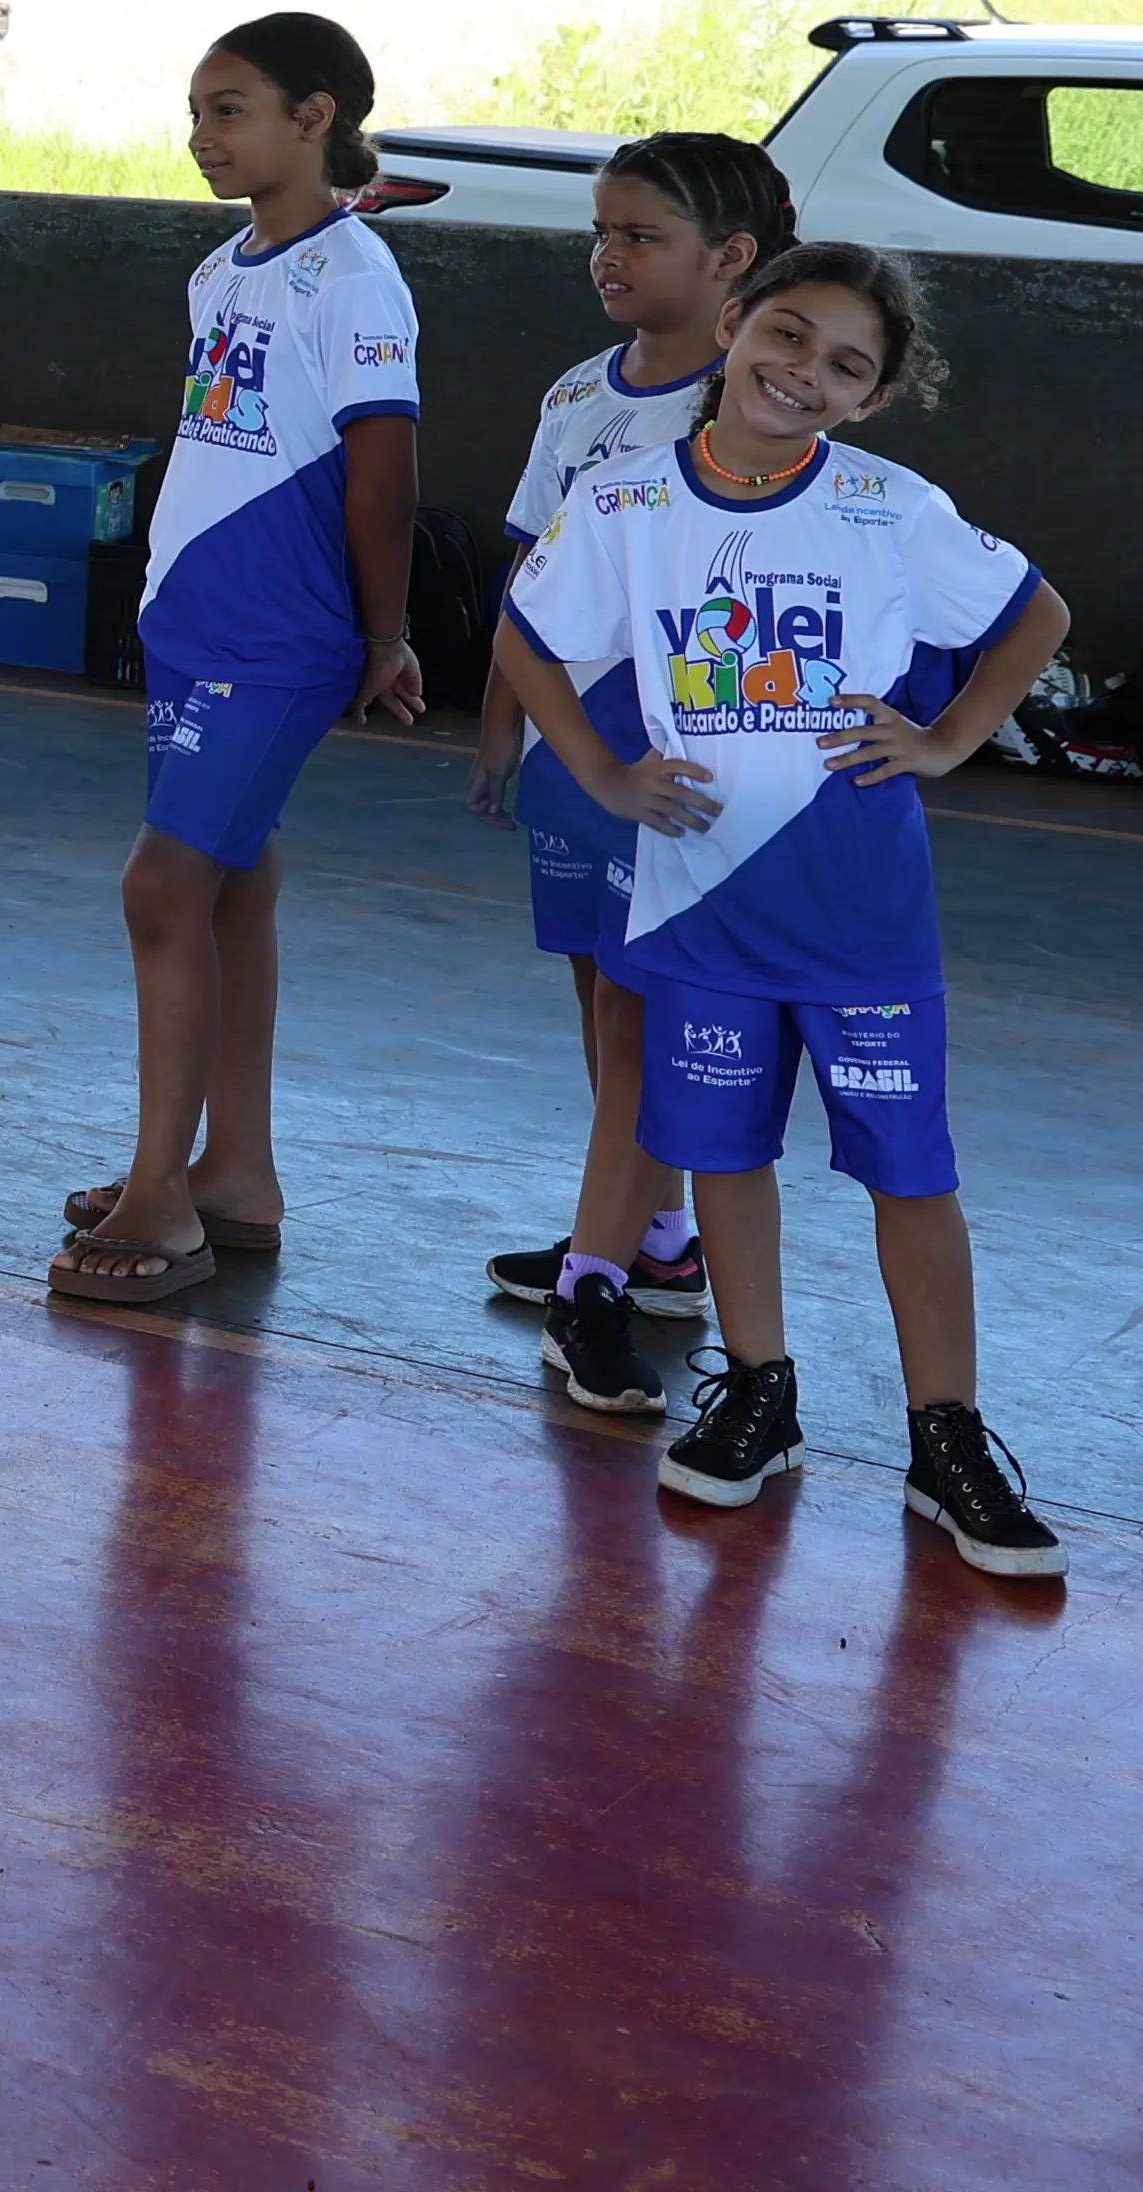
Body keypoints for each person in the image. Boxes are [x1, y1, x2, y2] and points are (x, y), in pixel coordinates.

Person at [495, 240, 1076, 1574]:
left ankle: (948, 1437)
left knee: (909, 1170)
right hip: (699, 903)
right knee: (725, 1154)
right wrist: (598, 769)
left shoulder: (890, 509)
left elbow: (1035, 615)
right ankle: (760, 1386)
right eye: (790, 337)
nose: (806, 373)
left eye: (847, 366)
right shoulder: (630, 502)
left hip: (860, 909)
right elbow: (528, 637)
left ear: (870, 400)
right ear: (738, 322)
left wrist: (948, 736)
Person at [49, 12, 422, 1307]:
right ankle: (236, 1173)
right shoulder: (221, 274)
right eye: (198, 110)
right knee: (231, 885)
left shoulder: (358, 279)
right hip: (194, 622)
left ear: (314, 118)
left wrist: (384, 636)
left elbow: (383, 477)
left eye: (229, 109)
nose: (201, 135)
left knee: (162, 888)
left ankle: (162, 1195)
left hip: (280, 638)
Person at [473, 131, 792, 1369]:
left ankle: (598, 1268)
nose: (611, 254)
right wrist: (501, 723)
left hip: (671, 755)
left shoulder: (755, 403)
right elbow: (528, 572)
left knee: (637, 1014)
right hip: (571, 746)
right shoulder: (574, 396)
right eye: (602, 231)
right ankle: (655, 1238)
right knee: (599, 993)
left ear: (734, 259)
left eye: (642, 235)